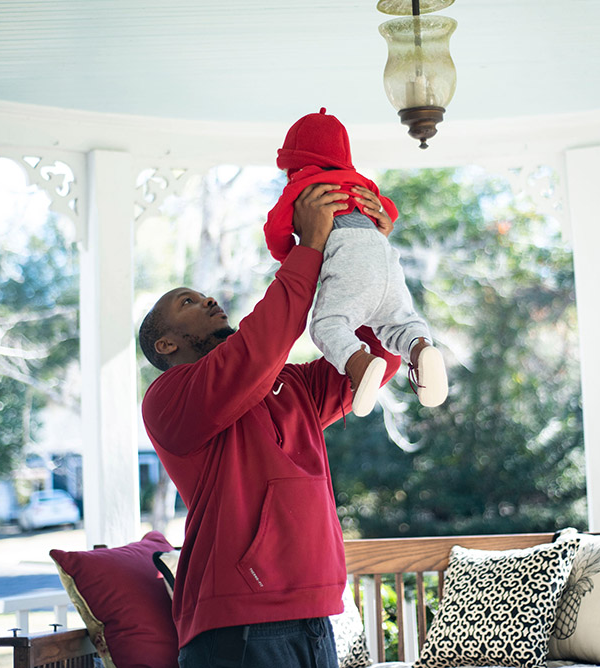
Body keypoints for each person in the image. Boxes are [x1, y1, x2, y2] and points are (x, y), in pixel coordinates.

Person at [139, 183, 401, 668]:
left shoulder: (291, 384)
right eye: (187, 303)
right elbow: (261, 343)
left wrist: (374, 255)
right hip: (237, 624)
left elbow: (375, 357)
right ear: (166, 345)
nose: (207, 299)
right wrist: (309, 248)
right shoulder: (167, 400)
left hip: (316, 614)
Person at [264, 107, 448, 417]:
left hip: (349, 260)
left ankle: (358, 362)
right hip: (385, 257)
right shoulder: (362, 184)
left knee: (328, 324)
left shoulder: (302, 188)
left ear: (292, 165)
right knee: (399, 321)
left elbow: (274, 230)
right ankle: (419, 348)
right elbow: (388, 210)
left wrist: (288, 256)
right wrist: (382, 219)